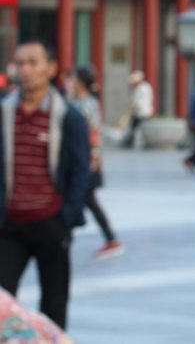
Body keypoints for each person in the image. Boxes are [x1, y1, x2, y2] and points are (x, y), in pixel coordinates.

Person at [0, 40, 90, 329]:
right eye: (20, 63)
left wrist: (67, 217)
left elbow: (80, 171)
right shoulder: (4, 114)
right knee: (2, 306)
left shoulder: (68, 117)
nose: (25, 70)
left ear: (51, 69)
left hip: (51, 222)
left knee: (54, 306)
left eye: (32, 62)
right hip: (9, 226)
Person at [68, 65, 124, 260]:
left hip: (85, 162)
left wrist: (89, 161)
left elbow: (88, 136)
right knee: (88, 202)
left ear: (80, 83)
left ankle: (111, 240)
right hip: (89, 161)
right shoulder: (84, 102)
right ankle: (111, 239)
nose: (69, 82)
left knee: (80, 201)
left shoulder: (84, 105)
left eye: (72, 78)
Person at [123, 70, 153, 149]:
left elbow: (140, 102)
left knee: (143, 129)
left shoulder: (144, 88)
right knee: (133, 128)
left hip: (143, 112)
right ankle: (130, 142)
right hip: (137, 113)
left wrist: (133, 106)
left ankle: (145, 142)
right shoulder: (136, 89)